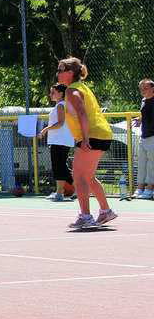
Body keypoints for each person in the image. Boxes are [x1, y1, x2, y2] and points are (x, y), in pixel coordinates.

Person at [58, 57, 116, 228]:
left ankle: (85, 216)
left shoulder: (72, 91)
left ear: (70, 73)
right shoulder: (82, 87)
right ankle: (106, 211)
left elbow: (82, 114)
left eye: (61, 70)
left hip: (92, 135)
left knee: (79, 176)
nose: (58, 73)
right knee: (89, 177)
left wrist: (84, 139)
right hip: (102, 133)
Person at [38, 83, 76, 202]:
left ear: (60, 93)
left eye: (53, 92)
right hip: (60, 141)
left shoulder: (61, 105)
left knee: (60, 168)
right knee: (58, 168)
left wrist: (45, 129)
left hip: (60, 141)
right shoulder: (62, 105)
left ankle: (82, 188)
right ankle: (59, 193)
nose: (51, 94)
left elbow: (60, 123)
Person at [131, 79, 154, 199]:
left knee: (152, 164)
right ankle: (140, 188)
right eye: (141, 88)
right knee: (141, 163)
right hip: (143, 135)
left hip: (153, 136)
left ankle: (150, 188)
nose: (143, 91)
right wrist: (140, 120)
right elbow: (145, 115)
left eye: (145, 88)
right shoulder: (143, 101)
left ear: (152, 88)